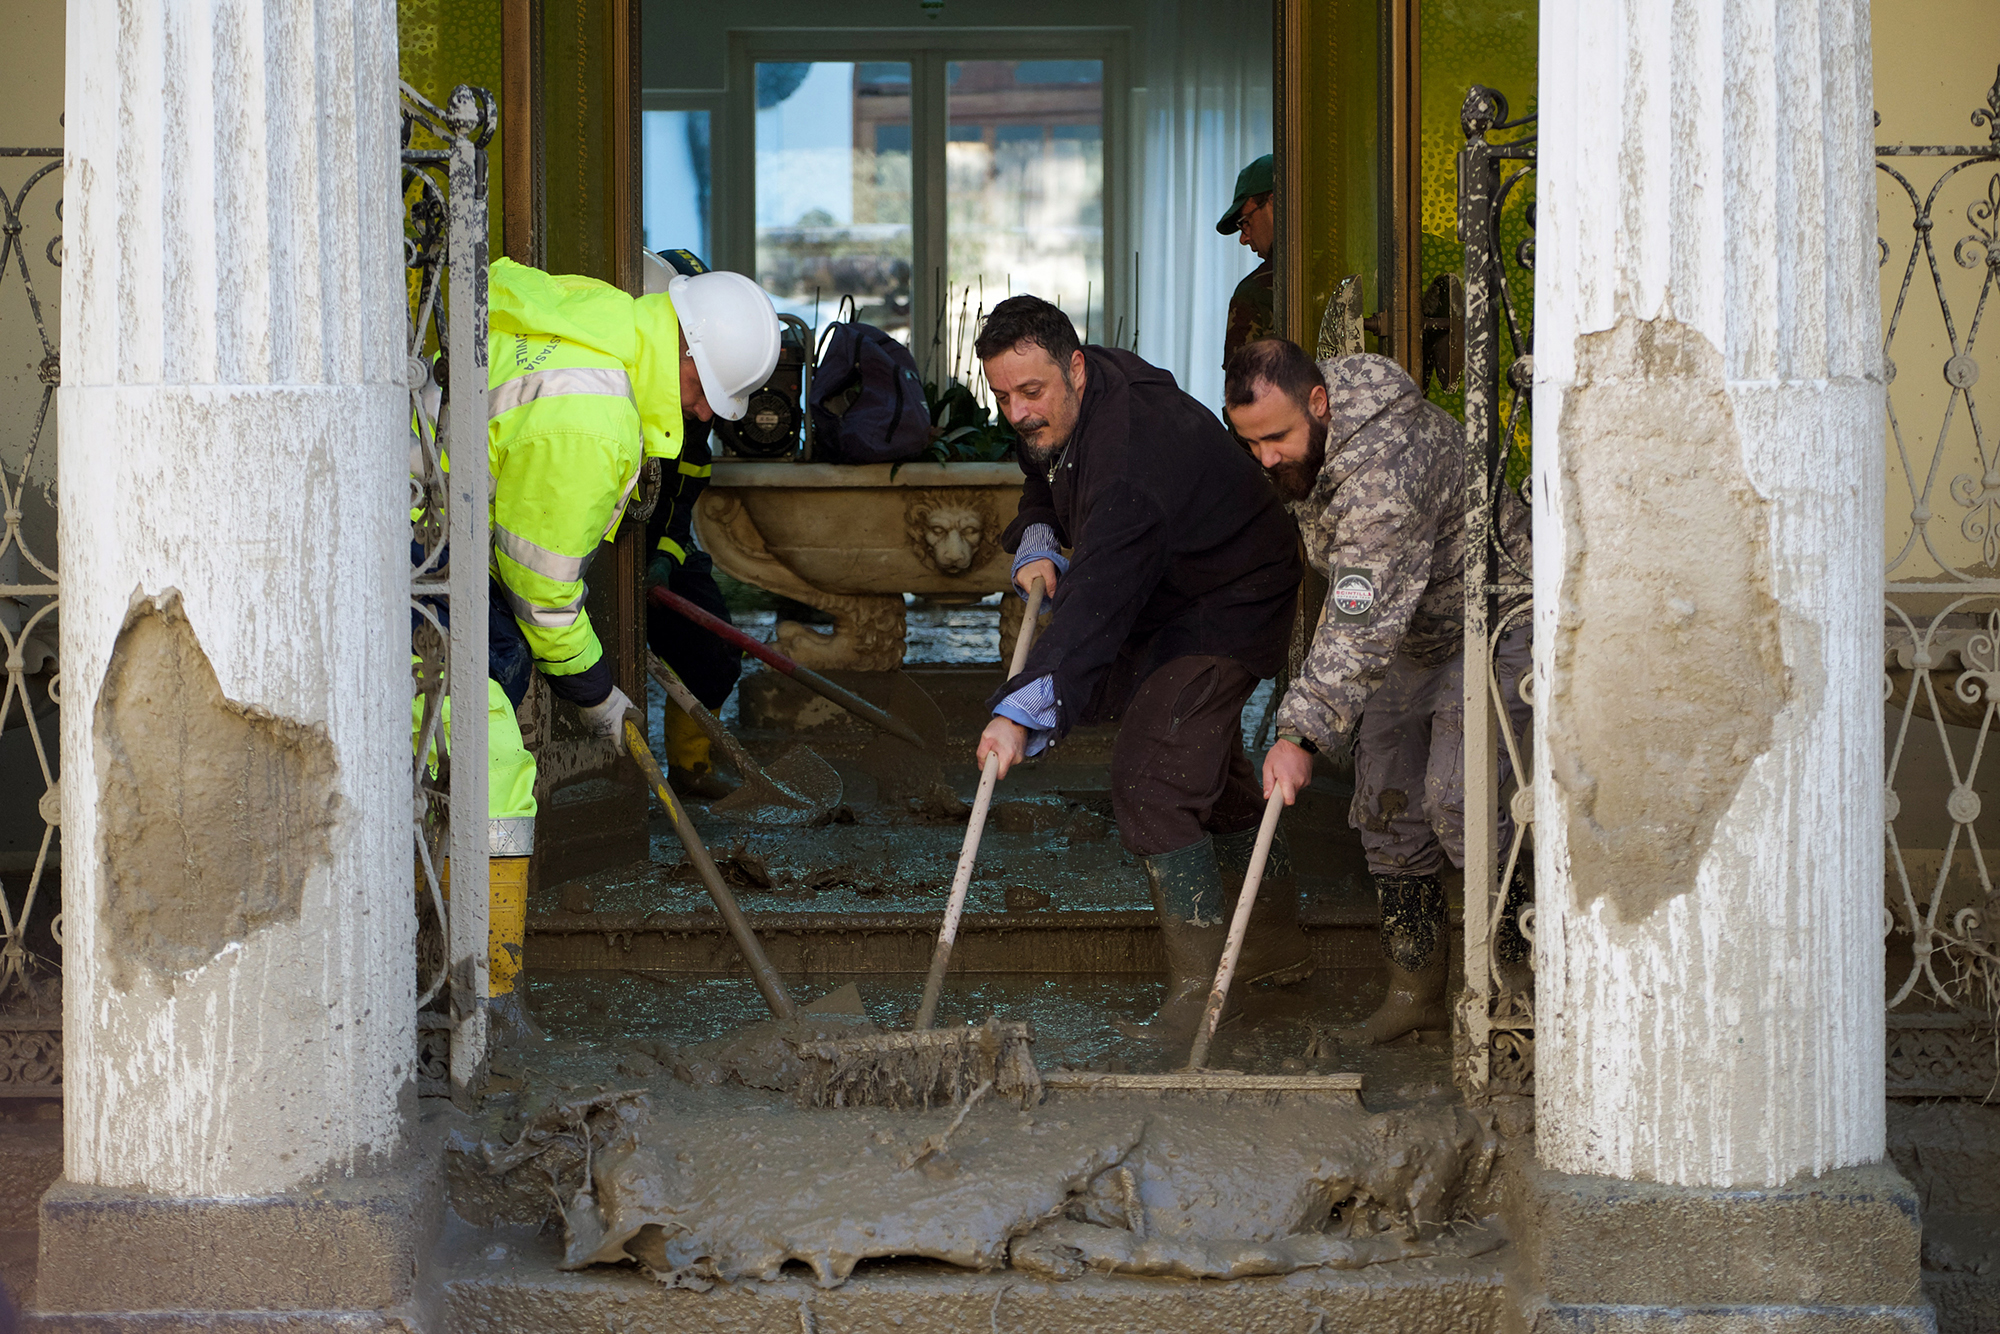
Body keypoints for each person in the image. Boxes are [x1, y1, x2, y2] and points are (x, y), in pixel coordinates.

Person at [425, 254, 779, 1034]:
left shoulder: (603, 315)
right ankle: (484, 998)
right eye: (710, 393)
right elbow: (543, 598)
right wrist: (600, 696)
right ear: (686, 351)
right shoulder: (594, 420)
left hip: (438, 516)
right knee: (496, 769)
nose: (711, 415)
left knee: (503, 677)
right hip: (414, 552)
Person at [974, 295, 1304, 1035]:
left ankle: (1199, 997)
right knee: (1195, 759)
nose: (1019, 411)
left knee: (1152, 776)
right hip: (1178, 580)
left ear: (1077, 367)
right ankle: (1274, 946)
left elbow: (1094, 601)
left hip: (1230, 595)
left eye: (1032, 392)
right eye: (1002, 395)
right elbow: (1044, 467)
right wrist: (1035, 529)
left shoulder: (1129, 463)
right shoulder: (1082, 397)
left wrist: (1019, 708)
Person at [1223, 338, 1533, 1046]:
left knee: (1463, 804)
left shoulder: (1384, 475)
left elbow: (1359, 622)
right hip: (1411, 633)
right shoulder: (1315, 440)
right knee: (1385, 809)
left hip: (1490, 623)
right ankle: (1414, 993)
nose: (1266, 458)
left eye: (1277, 438)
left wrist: (1299, 730)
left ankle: (1513, 993)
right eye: (1251, 442)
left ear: (1320, 403)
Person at [640, 248, 747, 800]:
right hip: (582, 550)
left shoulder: (693, 410)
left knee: (715, 648)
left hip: (662, 549)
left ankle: (690, 766)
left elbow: (682, 496)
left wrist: (664, 556)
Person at [1217, 153, 1276, 371]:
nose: (1243, 239)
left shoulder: (1253, 293)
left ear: (1273, 202)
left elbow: (1241, 397)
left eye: (1245, 222)